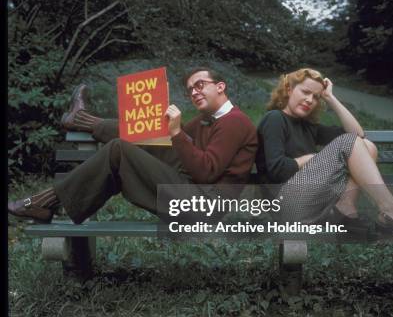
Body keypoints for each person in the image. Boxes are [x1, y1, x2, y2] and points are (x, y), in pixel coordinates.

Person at [8, 68, 258, 225]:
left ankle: (45, 200)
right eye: (190, 89)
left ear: (220, 86)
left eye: (200, 85)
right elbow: (161, 136)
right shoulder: (207, 120)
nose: (194, 92)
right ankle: (82, 120)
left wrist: (175, 133)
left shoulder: (234, 122)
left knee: (119, 149)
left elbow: (206, 171)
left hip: (203, 206)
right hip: (194, 191)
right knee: (148, 131)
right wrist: (154, 119)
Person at [255, 68, 393, 234]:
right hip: (285, 207)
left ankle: (346, 211)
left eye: (316, 97)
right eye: (305, 92)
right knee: (350, 142)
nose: (309, 100)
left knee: (367, 146)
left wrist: (330, 98)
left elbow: (358, 135)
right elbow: (277, 170)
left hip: (310, 203)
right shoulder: (275, 119)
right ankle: (390, 209)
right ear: (289, 89)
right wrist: (310, 158)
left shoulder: (308, 127)